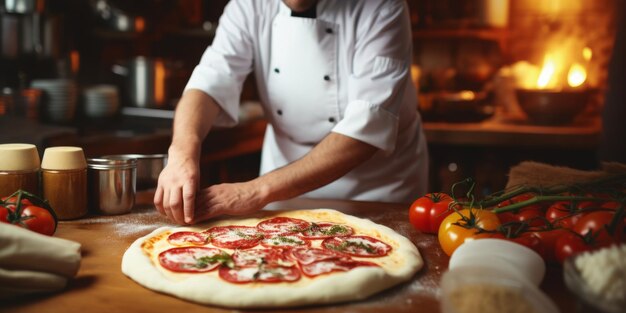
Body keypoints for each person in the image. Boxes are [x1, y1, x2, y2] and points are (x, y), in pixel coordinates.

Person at [154, 0, 429, 225]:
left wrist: (254, 191)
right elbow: (208, 83)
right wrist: (181, 153)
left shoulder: (382, 6)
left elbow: (366, 127)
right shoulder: (248, 6)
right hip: (281, 185)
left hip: (377, 187)